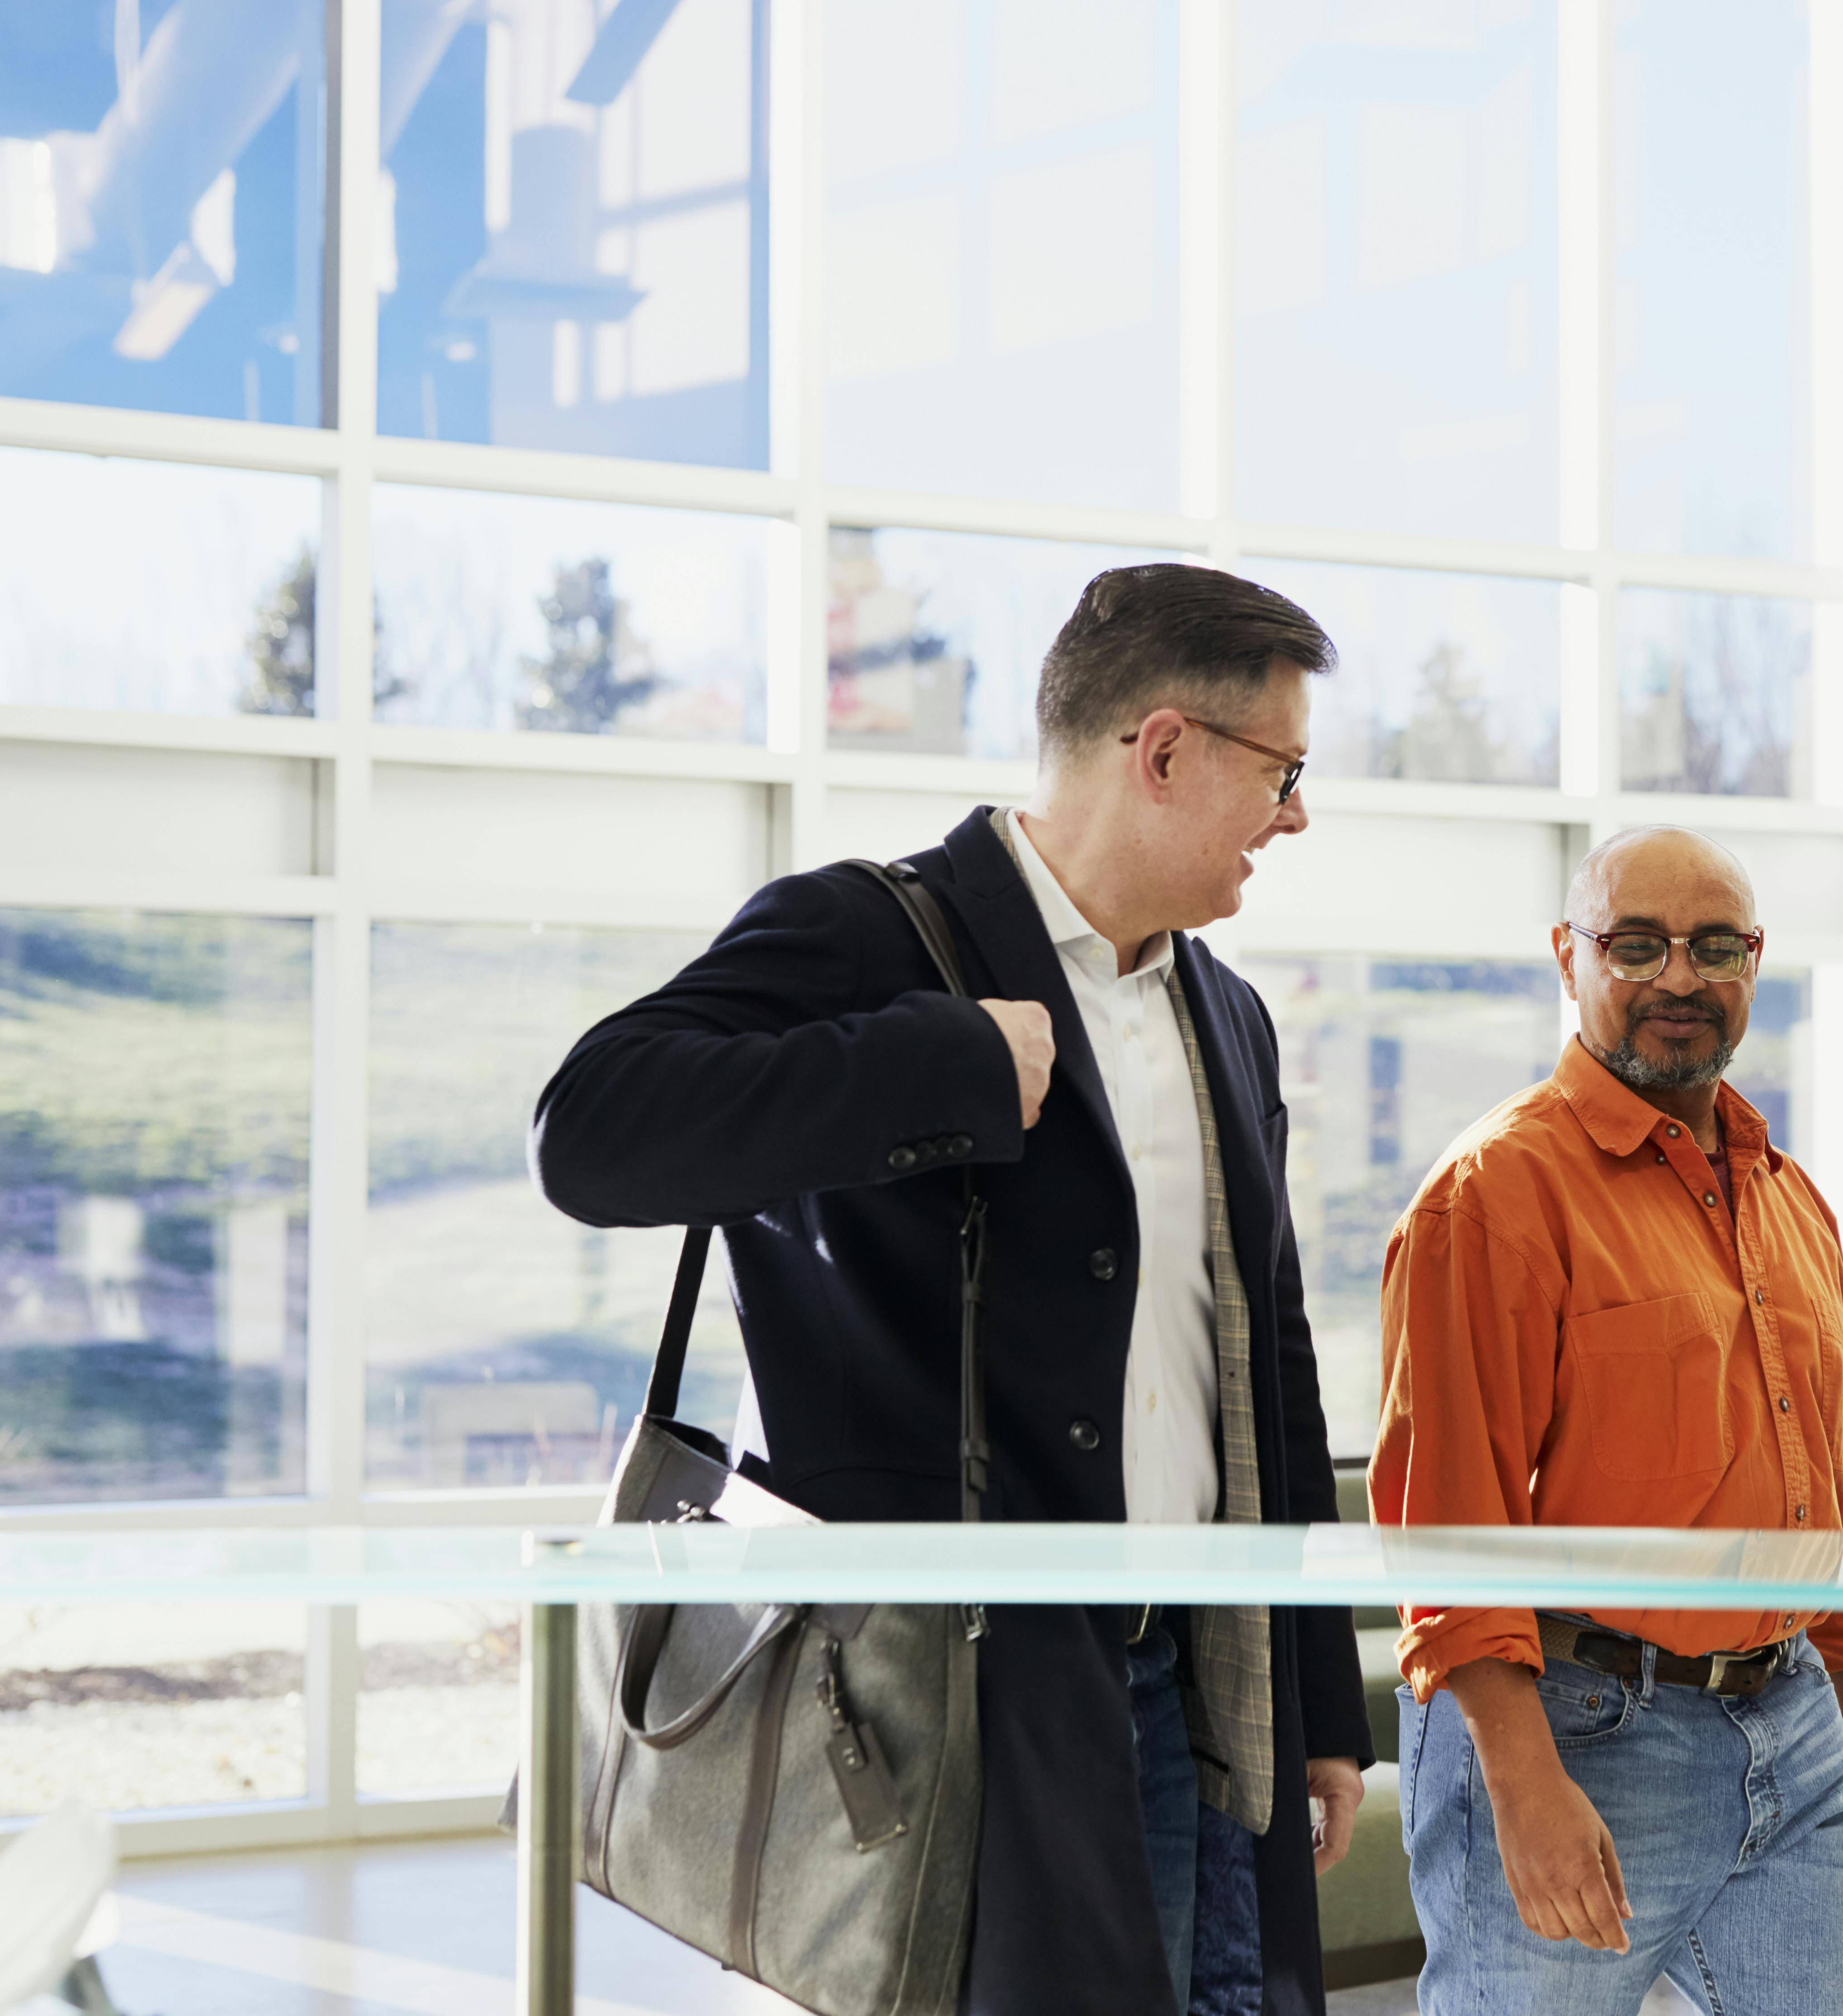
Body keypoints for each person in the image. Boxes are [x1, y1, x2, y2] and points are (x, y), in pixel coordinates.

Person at [531, 564, 1373, 2016]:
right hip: (952, 1695)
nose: (1296, 815)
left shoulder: (1226, 1014)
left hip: (1189, 1677)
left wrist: (1315, 1703)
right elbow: (592, 1133)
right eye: (1283, 771)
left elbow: (1266, 1359)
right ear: (1164, 751)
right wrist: (947, 1064)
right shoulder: (869, 934)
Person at [1369, 826, 1843, 2014]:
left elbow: (1825, 1491)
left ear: (1755, 963)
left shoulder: (1790, 1197)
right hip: (1575, 1732)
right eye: (1638, 946)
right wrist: (1521, 1786)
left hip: (1793, 1724)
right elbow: (1445, 1519)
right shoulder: (1496, 1193)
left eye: (1715, 946)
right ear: (1569, 958)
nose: (1680, 976)